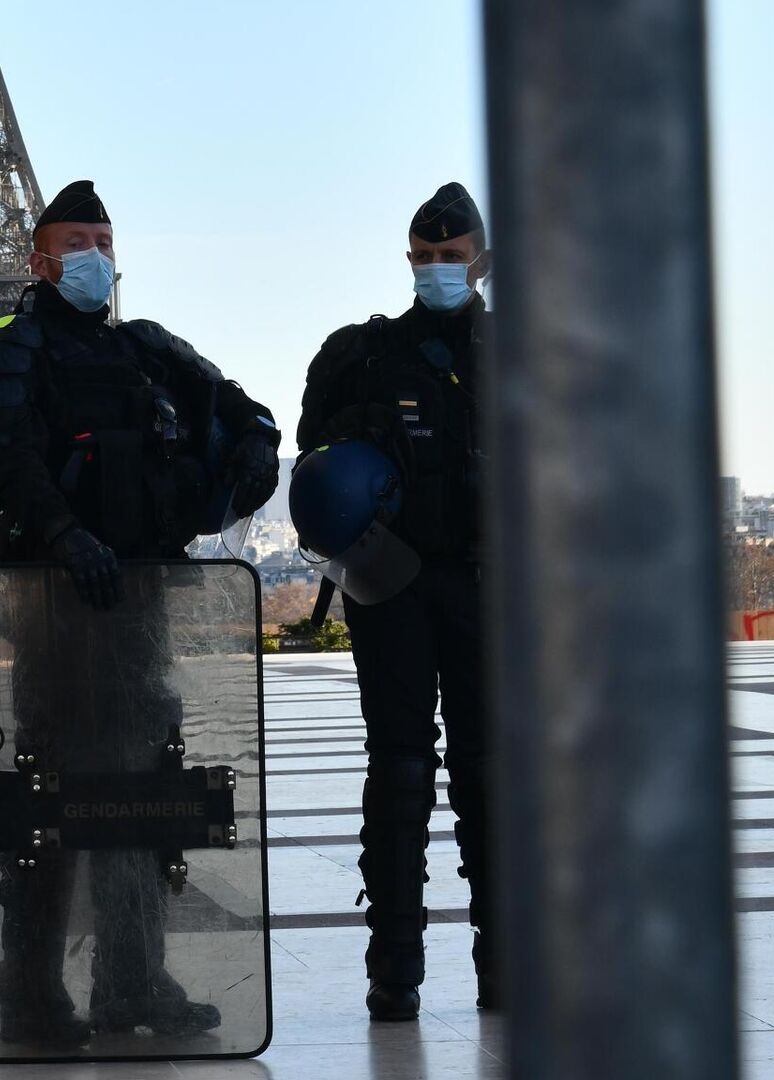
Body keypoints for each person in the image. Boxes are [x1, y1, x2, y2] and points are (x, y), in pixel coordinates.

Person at [0, 179, 281, 1044]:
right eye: (76, 242)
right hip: (57, 610)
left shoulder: (143, 348)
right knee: (51, 798)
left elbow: (240, 405)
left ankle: (134, 984)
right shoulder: (13, 347)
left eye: (103, 239)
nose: (94, 256)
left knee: (146, 789)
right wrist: (66, 538)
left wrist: (255, 444)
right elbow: (7, 460)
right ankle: (32, 995)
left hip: (139, 604)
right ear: (39, 259)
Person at [294, 181, 496, 1022]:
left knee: (491, 773)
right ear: (409, 260)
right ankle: (395, 967)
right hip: (395, 588)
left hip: (491, 586)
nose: (439, 270)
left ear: (480, 261)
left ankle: (509, 959)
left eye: (453, 258)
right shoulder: (362, 357)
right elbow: (313, 465)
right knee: (401, 770)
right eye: (427, 258)